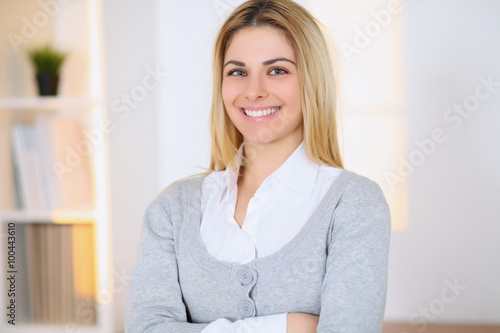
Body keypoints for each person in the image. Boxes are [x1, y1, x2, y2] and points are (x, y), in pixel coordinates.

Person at [125, 0, 391, 332]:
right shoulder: (170, 211)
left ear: (311, 79)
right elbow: (146, 328)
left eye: (277, 70)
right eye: (238, 72)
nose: (253, 91)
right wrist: (291, 326)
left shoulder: (355, 204)